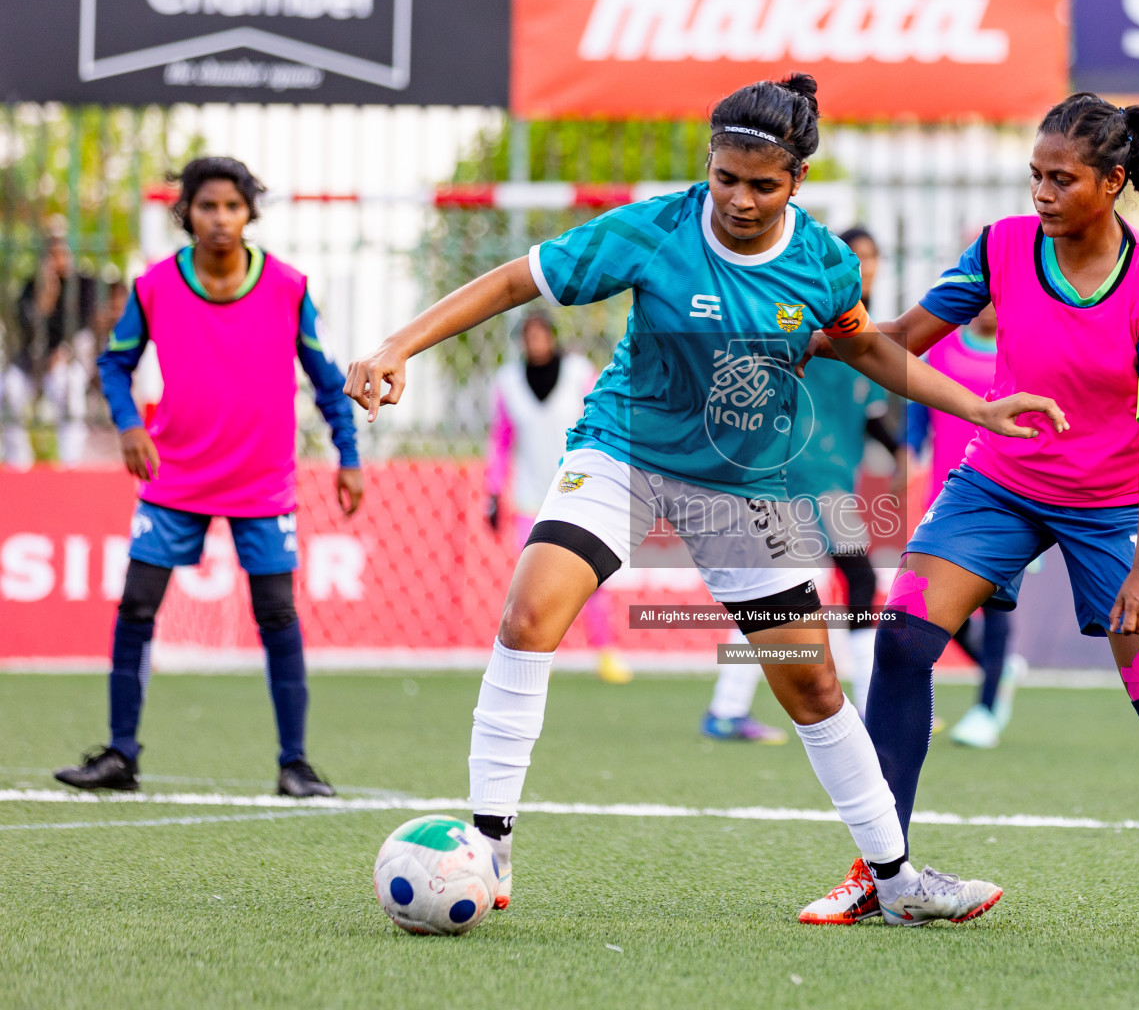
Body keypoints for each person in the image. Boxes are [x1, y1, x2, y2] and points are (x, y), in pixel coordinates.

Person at [344, 73, 1061, 925]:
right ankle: (489, 846)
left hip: (740, 489)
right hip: (625, 452)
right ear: (708, 166)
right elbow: (514, 283)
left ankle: (898, 881)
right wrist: (397, 346)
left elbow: (866, 349)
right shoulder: (655, 229)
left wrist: (976, 404)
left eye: (763, 184)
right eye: (727, 178)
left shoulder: (823, 263)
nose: (741, 199)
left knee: (815, 690)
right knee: (529, 616)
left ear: (797, 180)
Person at [798, 94, 1139, 936]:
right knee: (901, 642)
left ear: (1113, 182)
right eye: (1035, 174)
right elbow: (899, 339)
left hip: (1110, 509)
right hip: (998, 484)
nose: (1041, 192)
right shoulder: (1002, 247)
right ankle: (878, 871)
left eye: (1062, 178)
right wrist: (821, 336)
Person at [54, 157, 363, 797]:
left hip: (262, 483)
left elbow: (330, 383)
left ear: (250, 212)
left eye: (232, 206)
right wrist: (128, 425)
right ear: (186, 213)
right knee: (137, 604)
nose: (220, 218)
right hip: (177, 477)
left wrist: (349, 456)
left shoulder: (288, 287)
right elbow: (114, 366)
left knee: (276, 613)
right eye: (206, 207)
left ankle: (295, 764)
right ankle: (120, 754)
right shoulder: (155, 287)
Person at [700, 226, 899, 742]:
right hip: (791, 475)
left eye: (873, 256)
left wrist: (902, 452)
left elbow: (873, 414)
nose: (866, 264)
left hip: (830, 478)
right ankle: (867, 706)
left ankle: (731, 706)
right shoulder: (810, 314)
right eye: (857, 256)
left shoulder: (869, 331)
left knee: (795, 590)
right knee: (814, 587)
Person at [484, 308, 632, 685]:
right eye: (527, 336)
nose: (534, 342)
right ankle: (534, 657)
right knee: (531, 585)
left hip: (579, 492)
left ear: (552, 337)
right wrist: (493, 489)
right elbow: (500, 442)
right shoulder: (508, 383)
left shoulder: (579, 374)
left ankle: (605, 650)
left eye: (540, 335)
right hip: (530, 497)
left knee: (590, 579)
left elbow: (602, 423)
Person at [903, 299, 1024, 749]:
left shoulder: (1020, 351)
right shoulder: (943, 351)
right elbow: (916, 419)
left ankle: (988, 708)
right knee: (936, 607)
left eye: (1000, 297)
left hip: (1009, 498)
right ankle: (999, 667)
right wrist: (907, 458)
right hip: (949, 499)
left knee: (996, 605)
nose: (992, 306)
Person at [4, 233, 96, 467]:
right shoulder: (30, 286)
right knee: (9, 390)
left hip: (65, 359)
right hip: (31, 362)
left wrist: (63, 351)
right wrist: (46, 296)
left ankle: (71, 462)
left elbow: (83, 326)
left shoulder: (84, 285)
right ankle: (18, 463)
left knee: (68, 389)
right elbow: (25, 328)